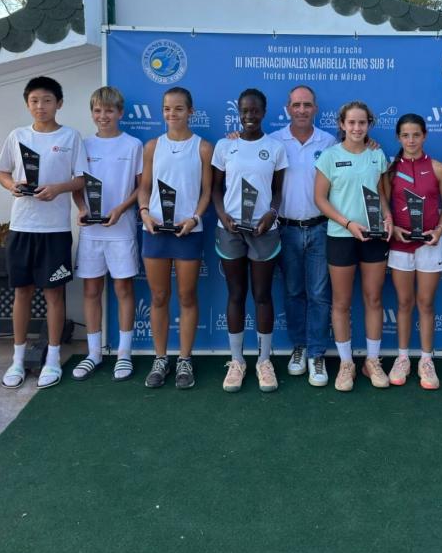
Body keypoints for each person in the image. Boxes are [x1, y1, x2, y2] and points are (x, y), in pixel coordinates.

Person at [0, 76, 87, 389]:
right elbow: (3, 172)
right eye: (34, 101)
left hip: (55, 229)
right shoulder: (17, 135)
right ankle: (18, 359)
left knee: (54, 295)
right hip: (22, 226)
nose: (40, 106)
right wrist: (13, 187)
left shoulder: (71, 136)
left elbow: (81, 179)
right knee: (22, 292)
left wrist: (58, 188)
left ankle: (52, 358)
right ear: (27, 104)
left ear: (59, 103)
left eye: (47, 100)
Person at [212, 88, 288, 393]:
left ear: (264, 111)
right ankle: (236, 361)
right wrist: (224, 215)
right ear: (238, 112)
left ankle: (264, 361)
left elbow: (279, 190)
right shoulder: (224, 146)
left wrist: (271, 213)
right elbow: (215, 189)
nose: (249, 116)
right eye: (244, 111)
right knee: (235, 295)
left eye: (255, 110)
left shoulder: (276, 147)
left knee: (262, 295)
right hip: (230, 229)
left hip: (263, 231)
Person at [137, 87, 213, 389]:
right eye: (167, 109)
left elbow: (207, 192)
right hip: (155, 230)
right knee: (158, 296)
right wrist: (144, 212)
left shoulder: (204, 148)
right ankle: (160, 358)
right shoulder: (152, 146)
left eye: (179, 109)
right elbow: (144, 186)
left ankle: (184, 359)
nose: (172, 114)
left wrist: (194, 218)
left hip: (187, 231)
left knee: (186, 296)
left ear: (190, 112)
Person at [314, 101, 392, 392]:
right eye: (352, 123)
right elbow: (320, 199)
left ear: (369, 124)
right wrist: (348, 224)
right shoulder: (329, 156)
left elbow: (382, 195)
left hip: (373, 237)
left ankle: (371, 361)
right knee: (341, 303)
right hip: (341, 235)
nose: (357, 128)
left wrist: (388, 218)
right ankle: (346, 363)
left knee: (373, 299)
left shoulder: (377, 154)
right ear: (342, 125)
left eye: (362, 123)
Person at [71, 87, 143, 382]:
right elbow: (77, 187)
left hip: (122, 229)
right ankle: (94, 353)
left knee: (124, 290)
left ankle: (124, 354)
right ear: (92, 113)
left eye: (109, 111)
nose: (103, 116)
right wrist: (81, 208)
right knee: (91, 291)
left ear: (120, 113)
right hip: (91, 233)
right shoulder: (83, 145)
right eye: (98, 111)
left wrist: (121, 209)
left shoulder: (133, 145)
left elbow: (142, 188)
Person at [272, 86, 335, 386]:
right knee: (294, 292)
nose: (301, 110)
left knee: (320, 295)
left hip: (321, 228)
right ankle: (298, 346)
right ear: (287, 108)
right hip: (286, 229)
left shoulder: (330, 141)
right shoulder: (273, 142)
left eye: (307, 105)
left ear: (316, 108)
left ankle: (317, 353)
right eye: (296, 105)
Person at [385, 114, 442, 390]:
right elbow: (384, 205)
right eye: (405, 135)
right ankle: (402, 358)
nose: (411, 140)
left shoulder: (438, 168)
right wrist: (392, 226)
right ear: (398, 138)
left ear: (425, 136)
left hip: (430, 243)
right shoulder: (389, 170)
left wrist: (439, 230)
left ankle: (426, 360)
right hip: (400, 244)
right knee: (404, 303)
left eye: (416, 135)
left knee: (425, 304)